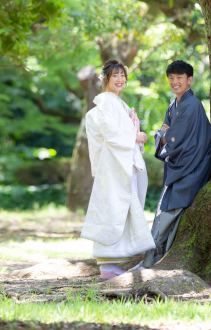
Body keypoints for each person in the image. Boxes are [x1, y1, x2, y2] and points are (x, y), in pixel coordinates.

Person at [81, 59, 156, 279]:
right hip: (114, 165)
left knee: (121, 209)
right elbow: (109, 132)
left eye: (123, 75)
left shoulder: (117, 102)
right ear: (106, 79)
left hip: (119, 163)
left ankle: (113, 263)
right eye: (115, 75)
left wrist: (134, 131)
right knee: (113, 209)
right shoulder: (106, 101)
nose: (120, 79)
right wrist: (135, 136)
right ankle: (107, 264)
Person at [141, 60, 211, 268]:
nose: (175, 82)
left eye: (179, 77)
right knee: (164, 215)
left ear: (189, 80)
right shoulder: (175, 105)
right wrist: (163, 134)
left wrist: (163, 134)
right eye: (171, 78)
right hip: (181, 166)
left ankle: (151, 262)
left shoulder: (192, 106)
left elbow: (168, 136)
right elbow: (164, 133)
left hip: (190, 167)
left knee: (167, 216)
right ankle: (154, 260)